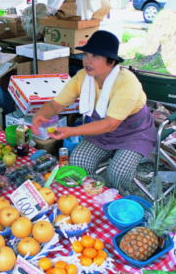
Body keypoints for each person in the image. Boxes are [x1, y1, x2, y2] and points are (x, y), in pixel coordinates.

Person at [31, 30, 157, 194]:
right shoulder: (82, 77)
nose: (88, 61)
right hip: (101, 130)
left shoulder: (127, 83)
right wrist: (41, 114)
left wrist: (71, 131)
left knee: (118, 172)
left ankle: (118, 197)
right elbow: (57, 105)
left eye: (95, 56)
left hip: (132, 133)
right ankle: (91, 193)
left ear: (111, 62)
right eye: (86, 55)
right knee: (77, 161)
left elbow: (110, 124)